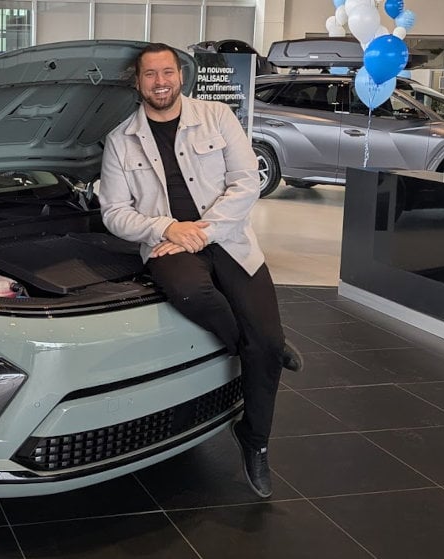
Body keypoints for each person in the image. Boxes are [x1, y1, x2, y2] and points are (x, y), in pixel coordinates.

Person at [98, 43, 302, 498]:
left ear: (181, 76)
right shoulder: (120, 139)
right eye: (150, 75)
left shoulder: (217, 117)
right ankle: (262, 350)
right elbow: (113, 212)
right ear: (137, 82)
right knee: (198, 298)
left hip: (227, 238)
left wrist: (201, 232)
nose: (160, 82)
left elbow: (246, 182)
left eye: (167, 72)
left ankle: (254, 440)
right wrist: (167, 227)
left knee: (265, 341)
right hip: (167, 245)